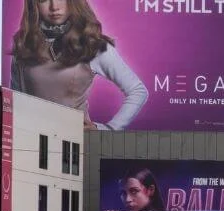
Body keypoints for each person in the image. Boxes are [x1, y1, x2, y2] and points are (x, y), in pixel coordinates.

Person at [9, 0, 148, 131]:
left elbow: (138, 90)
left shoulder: (93, 45)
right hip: (30, 139)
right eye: (43, 0)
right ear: (33, 4)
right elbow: (16, 100)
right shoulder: (23, 44)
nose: (54, 7)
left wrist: (108, 129)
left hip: (76, 142)